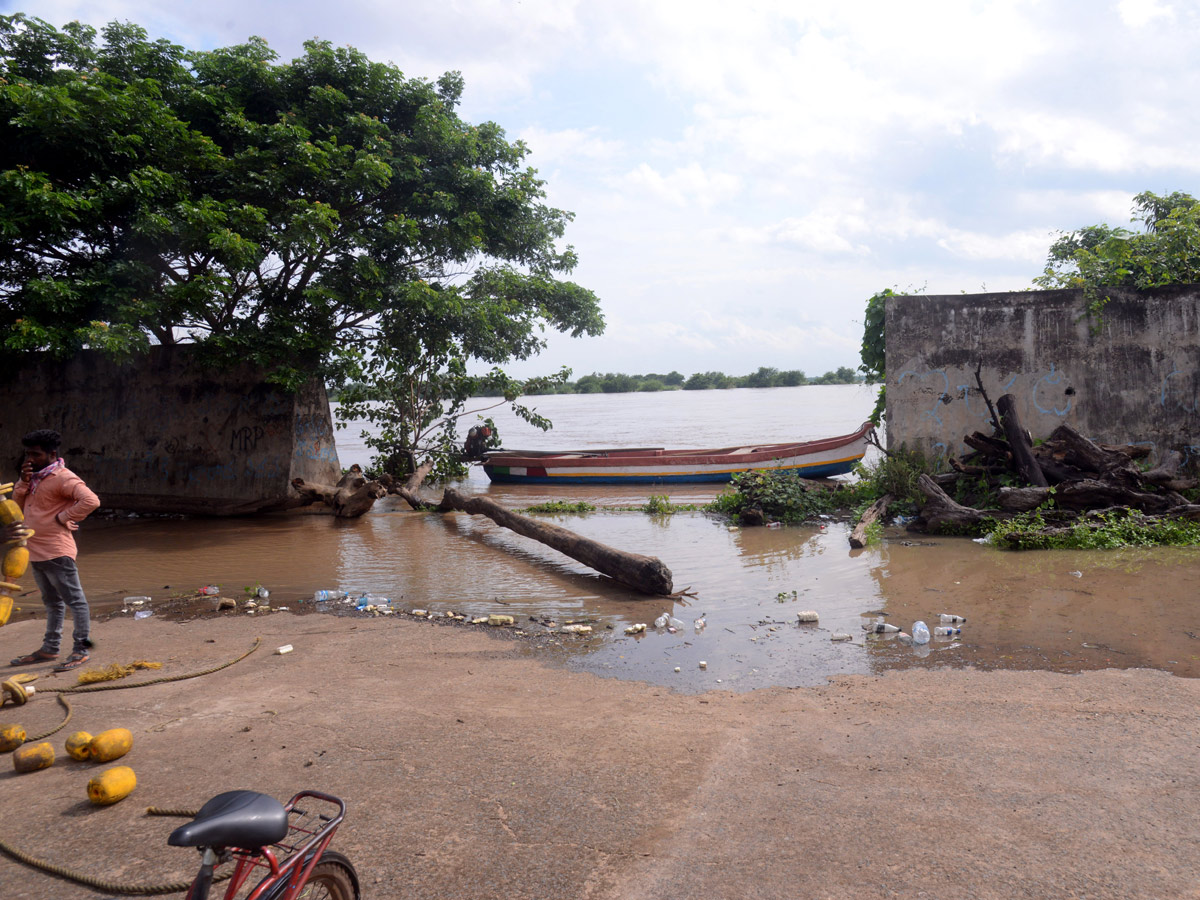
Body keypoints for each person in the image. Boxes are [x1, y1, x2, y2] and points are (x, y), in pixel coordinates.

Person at [8, 430, 100, 671]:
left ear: (52, 454)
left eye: (35, 454)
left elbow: (91, 501)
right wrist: (23, 482)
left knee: (76, 602)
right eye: (27, 454)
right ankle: (50, 649)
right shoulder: (33, 478)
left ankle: (81, 650)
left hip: (57, 552)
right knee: (52, 603)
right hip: (35, 551)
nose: (30, 459)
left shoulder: (63, 477)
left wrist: (63, 517)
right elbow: (16, 507)